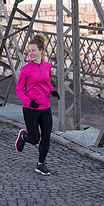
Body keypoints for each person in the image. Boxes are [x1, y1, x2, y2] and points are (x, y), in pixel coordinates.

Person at [15, 34, 60, 175]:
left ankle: (40, 164)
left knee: (46, 137)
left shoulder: (47, 66)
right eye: (29, 51)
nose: (31, 54)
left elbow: (46, 81)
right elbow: (18, 90)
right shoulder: (26, 69)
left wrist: (52, 91)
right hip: (31, 109)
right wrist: (28, 101)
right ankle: (23, 136)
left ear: (41, 50)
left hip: (45, 107)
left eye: (33, 50)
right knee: (35, 139)